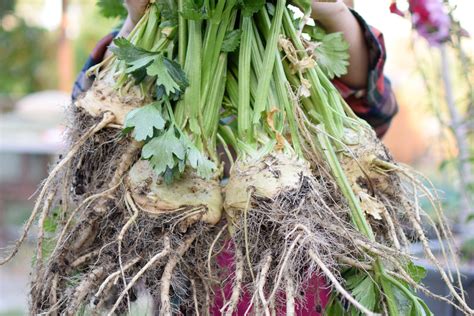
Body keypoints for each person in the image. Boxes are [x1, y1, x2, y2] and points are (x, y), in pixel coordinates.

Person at [72, 0, 398, 314]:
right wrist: (136, 18)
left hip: (294, 246)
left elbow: (377, 108)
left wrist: (335, 12)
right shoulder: (159, 32)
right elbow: (89, 115)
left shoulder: (293, 40)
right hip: (187, 251)